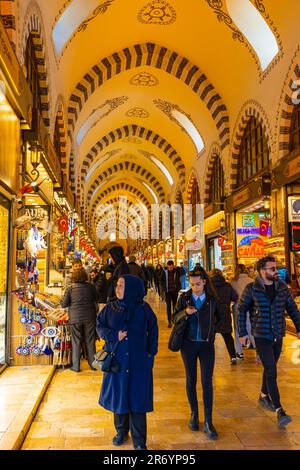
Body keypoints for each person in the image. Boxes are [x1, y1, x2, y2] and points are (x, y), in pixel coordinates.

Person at [97, 275, 158, 450]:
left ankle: (139, 441)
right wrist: (113, 335)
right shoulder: (110, 308)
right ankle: (121, 431)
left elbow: (153, 329)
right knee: (119, 396)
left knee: (138, 400)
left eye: (121, 286)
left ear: (131, 288)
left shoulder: (144, 308)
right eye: (117, 285)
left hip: (139, 362)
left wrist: (150, 353)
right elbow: (100, 326)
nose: (117, 289)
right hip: (118, 361)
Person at [238, 256, 300, 428]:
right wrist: (242, 333)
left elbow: (292, 308)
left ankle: (264, 395)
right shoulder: (252, 289)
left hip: (278, 334)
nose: (276, 271)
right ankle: (280, 410)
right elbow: (241, 309)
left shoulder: (282, 288)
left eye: (277, 268)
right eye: (272, 268)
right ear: (262, 271)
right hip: (261, 335)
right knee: (271, 370)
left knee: (269, 367)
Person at [172, 267, 224, 440]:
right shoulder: (184, 298)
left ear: (204, 281)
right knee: (191, 379)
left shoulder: (212, 299)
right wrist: (185, 312)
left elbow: (221, 318)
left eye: (198, 284)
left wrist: (212, 331)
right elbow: (174, 317)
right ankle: (194, 413)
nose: (195, 287)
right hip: (188, 345)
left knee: (207, 382)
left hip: (206, 346)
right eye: (192, 284)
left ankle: (208, 421)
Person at [61, 268, 99, 372]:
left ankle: (76, 366)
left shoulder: (70, 288)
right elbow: (97, 298)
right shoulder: (91, 287)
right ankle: (93, 365)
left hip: (75, 318)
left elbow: (63, 304)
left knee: (76, 341)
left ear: (73, 277)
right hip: (90, 317)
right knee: (90, 341)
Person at [210, 268, 238, 365]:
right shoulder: (227, 285)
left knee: (210, 337)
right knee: (227, 336)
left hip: (212, 313)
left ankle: (209, 358)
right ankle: (233, 356)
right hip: (225, 313)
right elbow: (235, 297)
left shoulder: (209, 286)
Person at [231, 264, 255, 359]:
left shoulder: (233, 282)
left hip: (237, 307)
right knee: (251, 328)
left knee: (238, 329)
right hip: (250, 307)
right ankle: (258, 347)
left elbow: (232, 296)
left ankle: (239, 352)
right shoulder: (251, 281)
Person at [164, 260, 181, 328]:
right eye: (169, 267)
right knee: (168, 306)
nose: (170, 269)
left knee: (175, 306)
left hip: (175, 291)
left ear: (173, 266)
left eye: (171, 267)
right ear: (167, 266)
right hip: (168, 292)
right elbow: (159, 277)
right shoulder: (165, 272)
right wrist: (164, 287)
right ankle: (169, 321)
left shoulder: (176, 271)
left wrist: (177, 267)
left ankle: (174, 319)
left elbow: (183, 272)